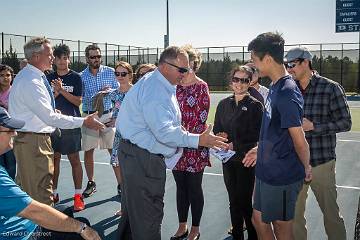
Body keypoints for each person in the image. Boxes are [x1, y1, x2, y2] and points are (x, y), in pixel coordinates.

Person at [116, 46, 228, 240]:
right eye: (182, 70)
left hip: (138, 156)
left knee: (134, 214)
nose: (184, 74)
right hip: (142, 160)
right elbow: (165, 132)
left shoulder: (159, 83)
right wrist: (198, 139)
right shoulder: (156, 90)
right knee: (147, 216)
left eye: (187, 70)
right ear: (165, 65)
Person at [8, 37, 104, 206]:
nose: (53, 57)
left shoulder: (32, 77)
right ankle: (44, 231)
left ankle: (41, 225)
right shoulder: (31, 80)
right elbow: (49, 117)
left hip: (33, 138)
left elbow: (42, 111)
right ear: (37, 56)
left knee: (30, 189)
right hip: (33, 141)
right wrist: (83, 121)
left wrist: (53, 111)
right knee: (40, 193)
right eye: (50, 54)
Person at [243, 32, 312, 240]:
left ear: (268, 59)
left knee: (282, 229)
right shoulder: (274, 86)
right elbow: (274, 129)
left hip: (282, 175)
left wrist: (306, 167)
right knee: (258, 220)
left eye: (255, 60)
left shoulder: (287, 92)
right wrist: (260, 148)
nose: (253, 65)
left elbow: (300, 140)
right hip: (266, 170)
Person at [0, 107, 101, 240]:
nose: (15, 134)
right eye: (10, 130)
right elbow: (34, 211)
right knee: (81, 229)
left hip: (17, 225)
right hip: (17, 234)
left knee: (65, 210)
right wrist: (83, 228)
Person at [284, 47, 351, 240]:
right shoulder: (289, 90)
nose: (289, 69)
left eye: (292, 64)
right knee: (295, 217)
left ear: (306, 62)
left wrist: (314, 126)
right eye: (287, 65)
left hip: (322, 162)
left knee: (331, 215)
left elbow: (345, 122)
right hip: (295, 164)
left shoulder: (330, 87)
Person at [214, 65, 263, 240]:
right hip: (228, 161)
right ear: (231, 81)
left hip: (246, 161)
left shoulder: (256, 106)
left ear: (250, 82)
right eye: (236, 79)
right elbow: (218, 130)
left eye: (244, 80)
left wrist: (237, 144)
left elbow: (258, 136)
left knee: (244, 202)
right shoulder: (223, 104)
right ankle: (237, 235)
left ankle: (253, 235)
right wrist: (220, 137)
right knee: (233, 202)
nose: (239, 84)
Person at [170, 45, 210, 240]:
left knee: (194, 188)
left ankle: (195, 228)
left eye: (189, 65)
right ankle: (182, 226)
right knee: (181, 187)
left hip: (195, 146)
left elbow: (200, 118)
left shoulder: (202, 87)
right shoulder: (173, 86)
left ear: (195, 65)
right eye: (182, 66)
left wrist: (188, 136)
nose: (185, 70)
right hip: (175, 146)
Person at [46, 44, 85, 211]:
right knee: (53, 161)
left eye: (65, 58)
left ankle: (78, 196)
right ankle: (53, 193)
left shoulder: (76, 77)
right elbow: (46, 103)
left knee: (74, 160)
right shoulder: (47, 77)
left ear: (69, 59)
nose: (62, 61)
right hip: (53, 125)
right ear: (54, 60)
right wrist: (55, 93)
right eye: (58, 58)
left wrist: (61, 90)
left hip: (71, 124)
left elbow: (78, 101)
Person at [80, 44, 119, 198]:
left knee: (113, 151)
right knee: (89, 152)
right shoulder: (81, 76)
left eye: (98, 56)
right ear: (87, 59)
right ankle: (91, 183)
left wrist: (107, 92)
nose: (96, 59)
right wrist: (97, 95)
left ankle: (121, 184)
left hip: (108, 116)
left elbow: (118, 92)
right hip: (90, 117)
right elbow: (80, 97)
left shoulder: (110, 72)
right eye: (92, 57)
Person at [106, 61, 133, 215]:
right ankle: (125, 206)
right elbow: (107, 112)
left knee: (133, 174)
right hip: (119, 137)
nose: (120, 76)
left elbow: (140, 117)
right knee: (117, 166)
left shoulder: (136, 92)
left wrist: (119, 120)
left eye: (123, 74)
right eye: (117, 73)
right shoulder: (113, 93)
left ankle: (134, 206)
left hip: (135, 138)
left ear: (130, 75)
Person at [0, 64, 17, 180]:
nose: (5, 78)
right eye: (1, 75)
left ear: (12, 77)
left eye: (8, 75)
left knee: (11, 166)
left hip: (11, 134)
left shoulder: (16, 92)